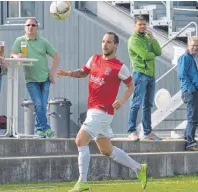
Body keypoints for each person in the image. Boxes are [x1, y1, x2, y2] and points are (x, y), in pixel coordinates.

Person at [57, 32, 148, 192]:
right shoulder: (94, 59)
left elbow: (131, 86)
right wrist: (69, 73)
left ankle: (82, 182)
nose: (105, 44)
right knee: (106, 150)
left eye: (109, 42)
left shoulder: (120, 67)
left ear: (115, 45)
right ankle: (139, 168)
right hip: (94, 110)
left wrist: (122, 100)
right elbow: (84, 72)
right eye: (103, 41)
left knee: (80, 141)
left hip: (102, 112)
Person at [10, 18, 60, 138]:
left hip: (45, 79)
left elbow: (56, 56)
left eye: (33, 25)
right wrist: (17, 55)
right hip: (31, 80)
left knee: (42, 104)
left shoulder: (43, 42)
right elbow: (12, 54)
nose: (30, 27)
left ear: (37, 27)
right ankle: (46, 129)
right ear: (24, 27)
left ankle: (39, 130)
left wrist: (52, 73)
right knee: (39, 104)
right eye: (28, 25)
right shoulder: (20, 41)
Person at [127, 15, 162, 141]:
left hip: (151, 75)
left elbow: (158, 52)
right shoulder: (133, 40)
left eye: (144, 24)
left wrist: (152, 39)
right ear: (135, 26)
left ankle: (147, 132)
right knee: (136, 103)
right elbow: (146, 55)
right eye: (140, 24)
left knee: (148, 104)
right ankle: (131, 131)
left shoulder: (147, 38)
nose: (142, 26)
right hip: (140, 74)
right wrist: (151, 54)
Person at [178, 36, 198, 151]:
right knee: (192, 117)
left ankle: (187, 137)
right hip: (191, 91)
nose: (195, 47)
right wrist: (192, 89)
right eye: (193, 45)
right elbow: (182, 75)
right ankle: (190, 143)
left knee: (196, 117)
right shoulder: (185, 58)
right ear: (188, 45)